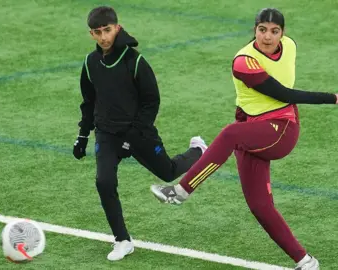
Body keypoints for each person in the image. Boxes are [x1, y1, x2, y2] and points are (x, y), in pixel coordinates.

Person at [151, 8, 337, 270]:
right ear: (254, 30)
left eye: (274, 31)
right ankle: (306, 262)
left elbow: (284, 97)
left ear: (283, 34)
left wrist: (332, 98)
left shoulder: (290, 46)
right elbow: (281, 92)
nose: (268, 37)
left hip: (281, 130)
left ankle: (181, 191)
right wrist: (334, 97)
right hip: (254, 131)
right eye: (262, 30)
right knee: (260, 206)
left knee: (230, 134)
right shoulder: (244, 62)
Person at [72, 6, 207, 261]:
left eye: (107, 30)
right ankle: (122, 240)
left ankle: (198, 149)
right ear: (91, 34)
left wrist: (132, 136)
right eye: (97, 32)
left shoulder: (136, 62)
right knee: (104, 182)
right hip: (107, 134)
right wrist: (82, 135)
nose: (103, 37)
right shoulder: (90, 64)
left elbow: (151, 102)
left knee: (168, 171)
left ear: (117, 28)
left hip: (138, 132)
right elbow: (89, 101)